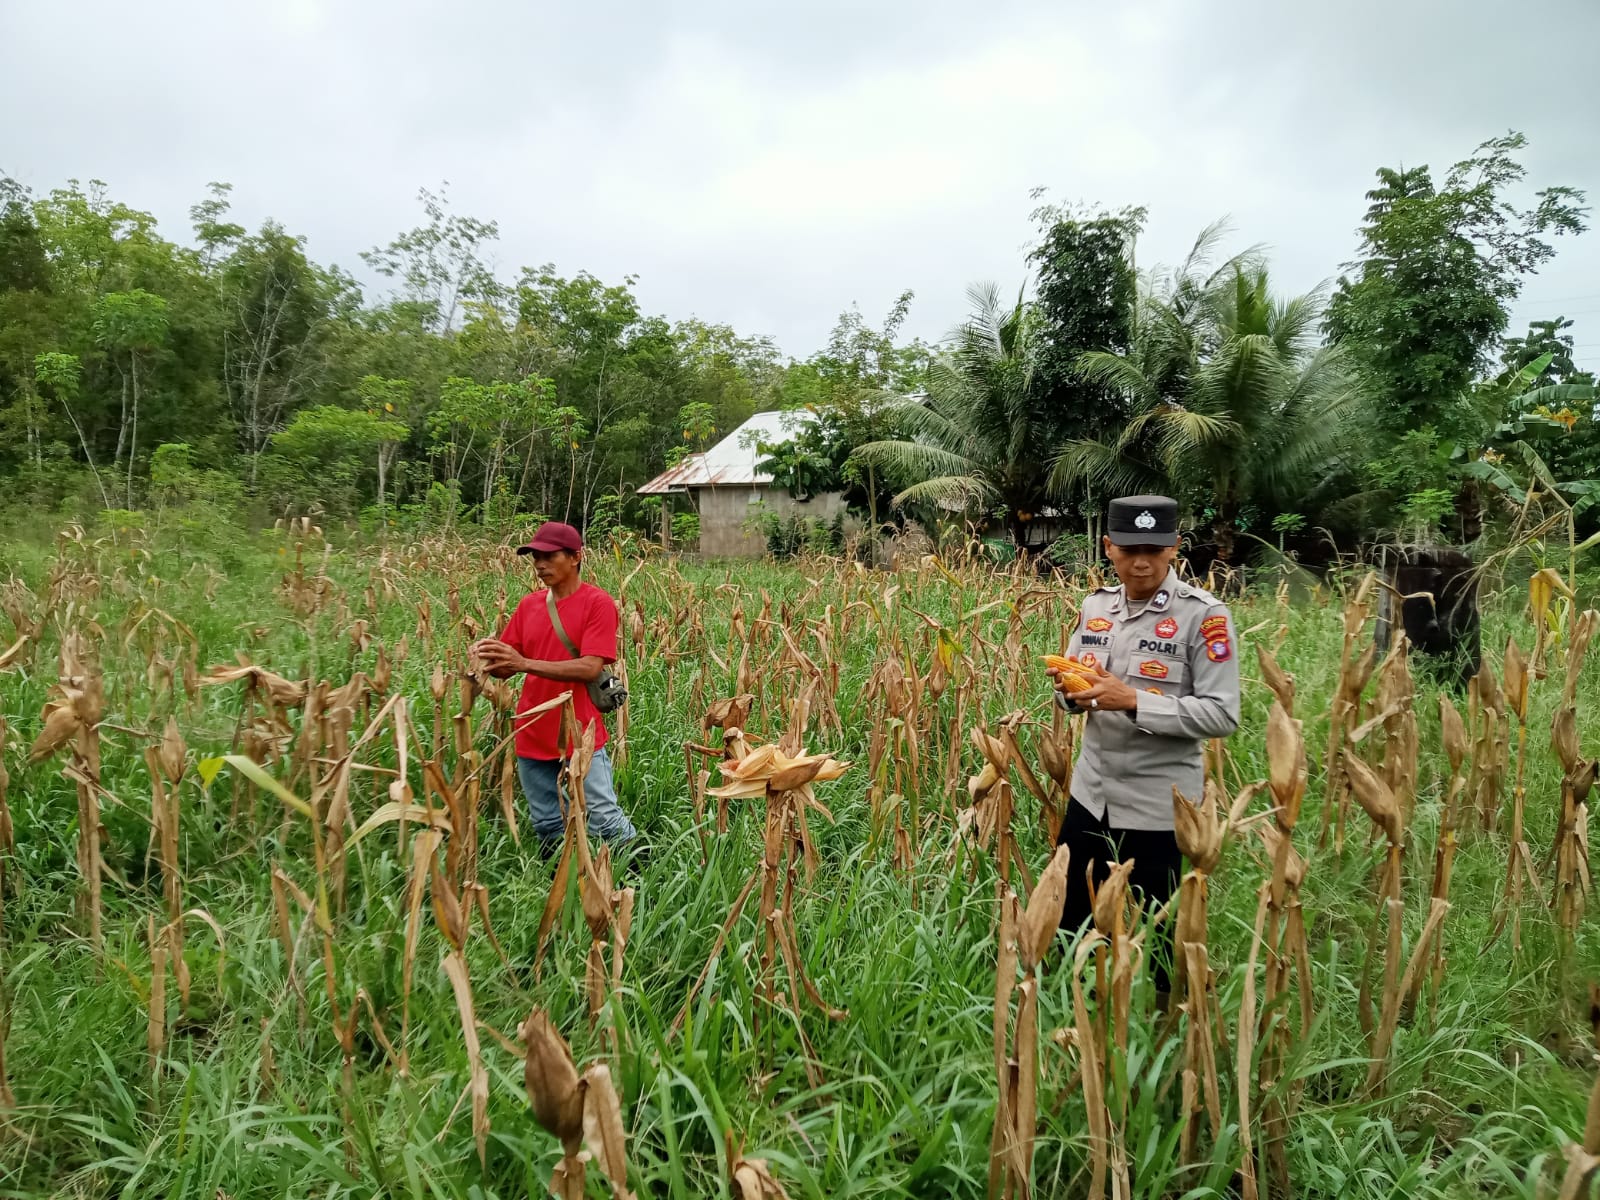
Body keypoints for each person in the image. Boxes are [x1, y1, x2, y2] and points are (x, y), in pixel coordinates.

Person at [1046, 495, 1240, 1004]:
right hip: (1091, 797)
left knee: (1160, 942)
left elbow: (1222, 714)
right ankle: (1072, 1018)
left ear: (1175, 547)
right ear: (1109, 547)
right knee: (1069, 924)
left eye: (1154, 549)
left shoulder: (1204, 617)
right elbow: (1071, 690)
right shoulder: (1094, 607)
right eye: (1130, 549)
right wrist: (1069, 693)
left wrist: (1133, 700)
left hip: (1159, 809)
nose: (1141, 562)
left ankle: (1162, 1026)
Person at [473, 521, 638, 853]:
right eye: (535, 557)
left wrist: (524, 663)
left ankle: (639, 878)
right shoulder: (529, 605)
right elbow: (506, 668)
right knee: (548, 824)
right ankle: (561, 882)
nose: (540, 564)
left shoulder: (597, 603)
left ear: (576, 557)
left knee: (605, 820)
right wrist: (485, 658)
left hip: (580, 733)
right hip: (532, 732)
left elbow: (590, 666)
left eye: (549, 556)